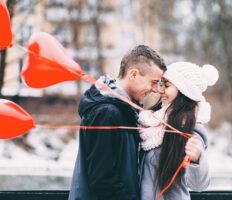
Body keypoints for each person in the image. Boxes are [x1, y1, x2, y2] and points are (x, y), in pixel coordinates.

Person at [68, 45, 166, 200]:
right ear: (133, 74)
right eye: (153, 82)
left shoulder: (124, 109)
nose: (155, 89)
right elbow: (102, 179)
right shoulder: (107, 112)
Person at [138, 62, 219, 200]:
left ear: (184, 90)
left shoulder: (190, 131)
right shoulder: (151, 123)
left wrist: (196, 159)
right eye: (161, 84)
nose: (160, 90)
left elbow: (198, 185)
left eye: (167, 85)